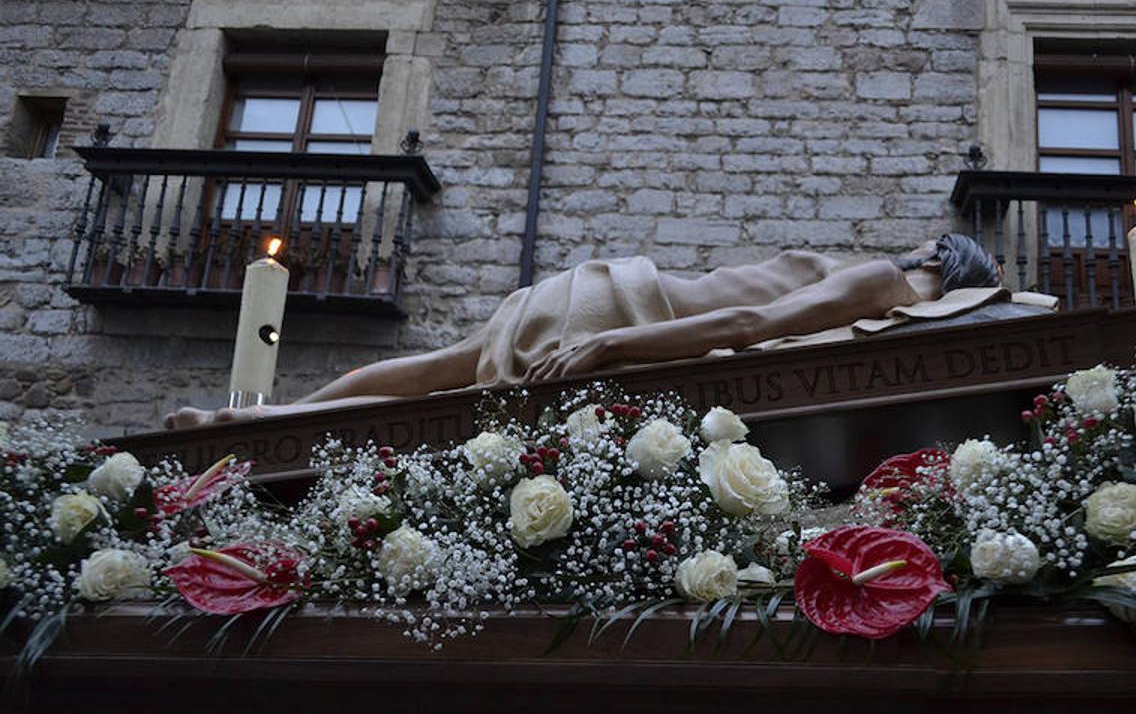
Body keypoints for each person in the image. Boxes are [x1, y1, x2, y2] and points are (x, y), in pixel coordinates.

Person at [164, 235, 1000, 429]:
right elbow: (747, 329)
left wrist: (605, 338)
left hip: (599, 298)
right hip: (621, 314)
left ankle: (263, 418)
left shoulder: (891, 278)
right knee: (444, 381)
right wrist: (613, 347)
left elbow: (753, 315)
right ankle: (263, 422)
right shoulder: (881, 292)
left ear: (935, 255)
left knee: (441, 371)